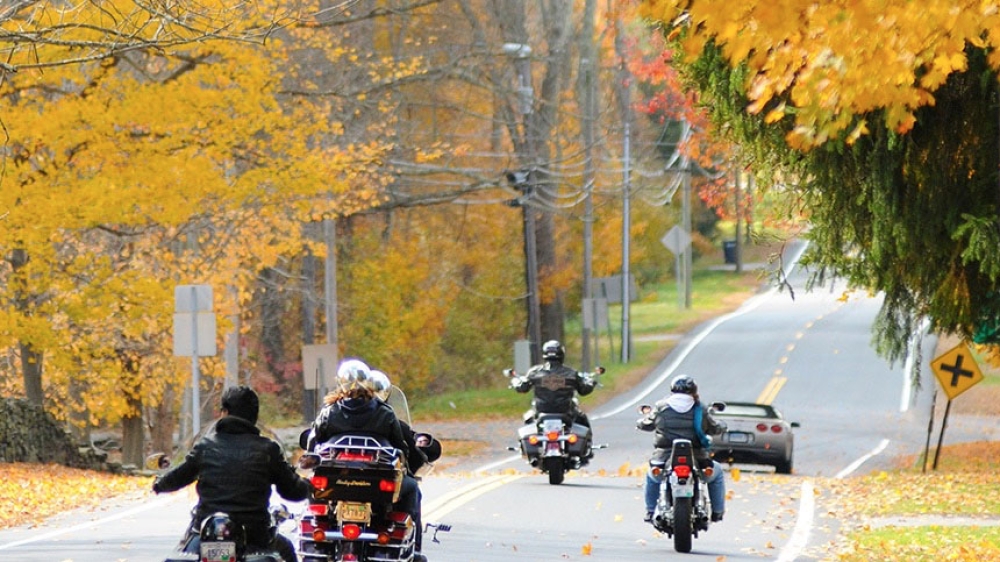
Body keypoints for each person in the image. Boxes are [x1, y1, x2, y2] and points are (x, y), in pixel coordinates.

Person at [152, 385, 310, 562]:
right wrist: (308, 485)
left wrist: (159, 484)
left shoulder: (205, 446)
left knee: (180, 552)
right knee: (286, 549)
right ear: (254, 416)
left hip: (207, 531)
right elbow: (293, 490)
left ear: (224, 412)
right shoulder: (267, 449)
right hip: (254, 535)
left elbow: (179, 476)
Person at [306, 359, 428, 562]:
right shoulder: (385, 413)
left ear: (341, 383)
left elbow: (312, 444)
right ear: (369, 383)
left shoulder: (329, 412)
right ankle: (413, 549)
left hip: (336, 483)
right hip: (377, 485)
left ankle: (320, 527)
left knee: (311, 487)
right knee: (411, 488)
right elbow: (401, 447)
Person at [637, 374, 727, 524]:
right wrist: (722, 426)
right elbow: (714, 427)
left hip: (664, 456)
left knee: (651, 475)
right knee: (716, 473)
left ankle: (650, 510)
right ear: (694, 390)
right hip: (697, 457)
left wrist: (641, 422)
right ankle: (718, 511)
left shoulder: (661, 407)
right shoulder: (700, 409)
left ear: (672, 390)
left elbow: (647, 424)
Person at [509, 339, 598, 430]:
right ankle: (587, 444)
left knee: (528, 422)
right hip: (566, 412)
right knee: (583, 420)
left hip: (540, 412)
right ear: (562, 354)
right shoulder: (571, 373)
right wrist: (591, 382)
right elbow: (584, 390)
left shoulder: (534, 372)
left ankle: (523, 444)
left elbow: (522, 388)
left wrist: (515, 381)